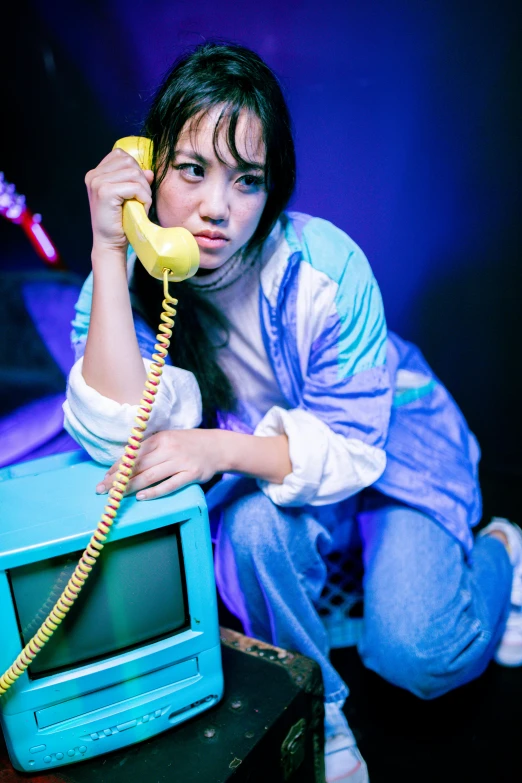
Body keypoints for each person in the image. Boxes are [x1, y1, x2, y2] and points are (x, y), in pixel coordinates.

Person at [63, 42, 522, 783]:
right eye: (191, 170)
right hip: (271, 476)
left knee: (424, 658)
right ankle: (321, 706)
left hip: (386, 443)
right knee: (247, 529)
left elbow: (354, 442)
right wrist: (111, 247)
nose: (217, 207)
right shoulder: (127, 280)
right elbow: (117, 427)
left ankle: (501, 545)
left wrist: (218, 450)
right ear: (148, 170)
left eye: (247, 180)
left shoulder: (324, 267)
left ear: (271, 189)